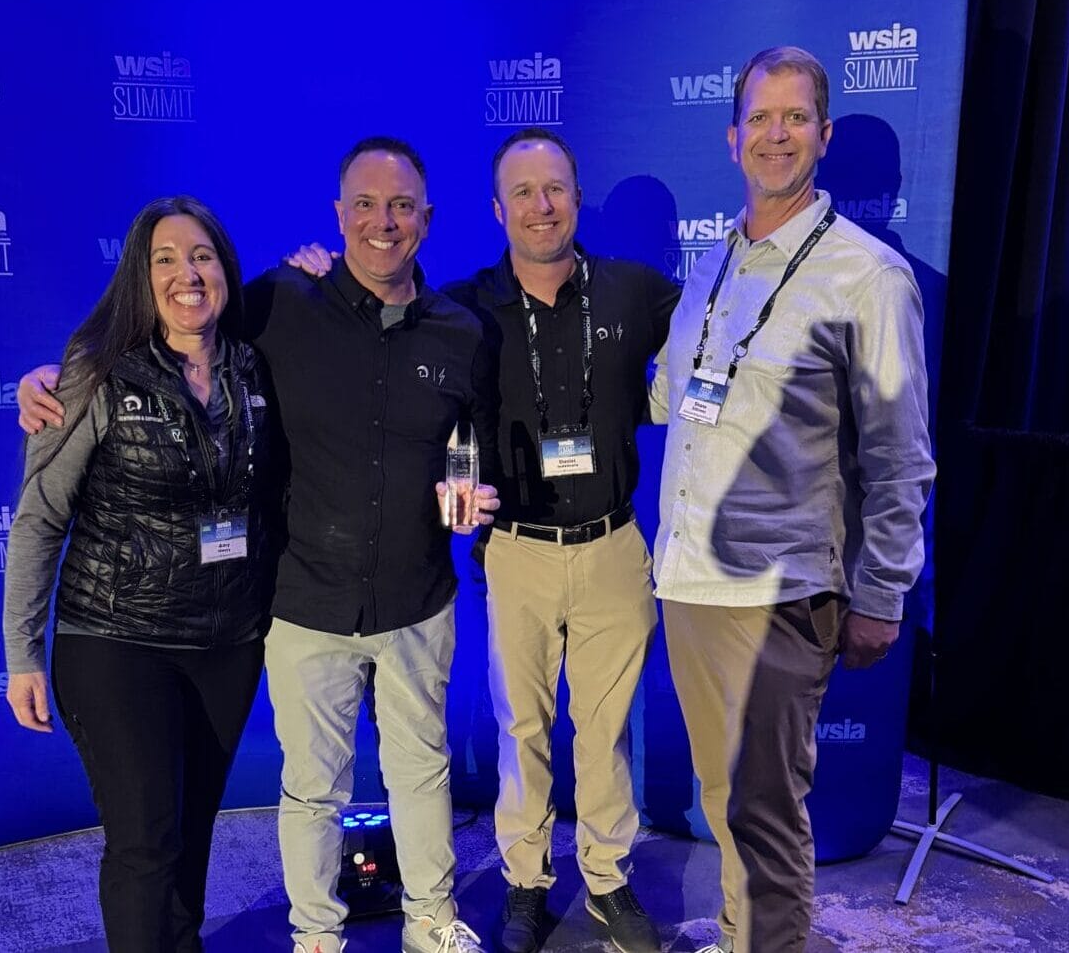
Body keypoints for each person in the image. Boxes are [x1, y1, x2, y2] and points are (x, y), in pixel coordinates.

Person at [18, 138, 498, 953]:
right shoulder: (280, 301)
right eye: (366, 205)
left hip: (410, 596)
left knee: (419, 773)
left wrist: (475, 494)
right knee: (304, 790)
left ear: (428, 217)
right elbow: (166, 327)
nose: (384, 223)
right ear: (339, 215)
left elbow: (473, 444)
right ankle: (316, 934)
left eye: (402, 206)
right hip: (293, 601)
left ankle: (429, 923)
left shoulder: (459, 332)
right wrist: (54, 378)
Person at [287, 127, 678, 953]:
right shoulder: (462, 309)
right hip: (516, 550)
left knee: (605, 732)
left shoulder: (636, 292)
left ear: (577, 196)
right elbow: (386, 329)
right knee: (523, 731)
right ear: (498, 210)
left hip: (612, 546)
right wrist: (313, 273)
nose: (543, 206)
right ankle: (526, 882)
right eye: (524, 193)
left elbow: (720, 340)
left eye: (557, 188)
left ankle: (608, 881)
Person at [648, 47, 936, 953]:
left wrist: (882, 593)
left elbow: (900, 457)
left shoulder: (867, 277)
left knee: (766, 814)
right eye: (761, 120)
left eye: (795, 118)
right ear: (734, 139)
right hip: (690, 580)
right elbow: (670, 396)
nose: (776, 135)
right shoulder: (713, 264)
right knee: (726, 800)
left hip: (780, 592)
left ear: (824, 134)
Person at [3, 196, 279, 953]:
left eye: (202, 256)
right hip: (116, 641)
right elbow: (39, 519)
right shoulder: (94, 372)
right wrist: (21, 653)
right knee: (145, 841)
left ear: (225, 269)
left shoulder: (254, 364)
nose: (187, 274)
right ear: (138, 276)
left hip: (226, 644)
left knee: (189, 839)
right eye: (165, 259)